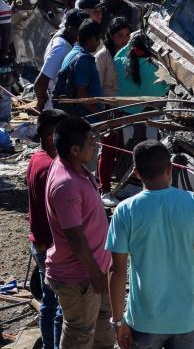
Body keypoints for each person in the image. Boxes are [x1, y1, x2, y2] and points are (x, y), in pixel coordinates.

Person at [107, 140, 194, 349]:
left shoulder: (125, 210)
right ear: (170, 169)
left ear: (136, 172)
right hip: (186, 320)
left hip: (144, 321)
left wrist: (118, 321)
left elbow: (116, 269)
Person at [44, 117, 115, 349]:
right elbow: (75, 237)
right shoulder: (66, 186)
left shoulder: (75, 168)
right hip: (80, 277)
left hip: (96, 269)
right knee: (79, 333)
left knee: (103, 324)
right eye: (90, 142)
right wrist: (95, 274)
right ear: (75, 150)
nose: (95, 146)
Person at [26, 109, 68, 349]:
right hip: (50, 244)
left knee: (49, 301)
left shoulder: (36, 158)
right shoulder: (50, 167)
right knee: (60, 303)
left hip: (40, 240)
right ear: (51, 136)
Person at [95, 17, 131, 207]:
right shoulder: (103, 56)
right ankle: (105, 190)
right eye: (120, 36)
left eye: (127, 35)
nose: (124, 39)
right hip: (108, 107)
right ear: (111, 37)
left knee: (120, 146)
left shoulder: (130, 54)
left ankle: (111, 183)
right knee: (108, 149)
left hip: (123, 107)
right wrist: (103, 111)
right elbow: (97, 86)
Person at [34, 9, 89, 112]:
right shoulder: (61, 49)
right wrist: (41, 102)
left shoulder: (66, 36)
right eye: (81, 30)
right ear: (69, 27)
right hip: (57, 108)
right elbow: (40, 83)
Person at [52, 19, 104, 117]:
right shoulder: (83, 59)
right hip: (86, 120)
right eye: (99, 39)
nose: (99, 43)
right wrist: (102, 114)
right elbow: (82, 96)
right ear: (92, 39)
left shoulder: (72, 53)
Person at [114, 32, 169, 115]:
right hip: (138, 112)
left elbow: (116, 57)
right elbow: (165, 89)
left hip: (120, 109)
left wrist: (130, 44)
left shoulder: (120, 63)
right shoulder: (155, 72)